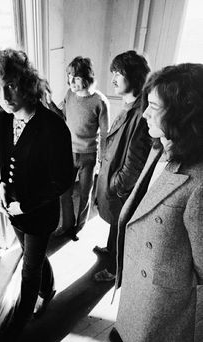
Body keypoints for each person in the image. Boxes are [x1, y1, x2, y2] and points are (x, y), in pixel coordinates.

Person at [0, 48, 73, 337]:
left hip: (39, 214)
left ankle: (18, 326)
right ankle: (50, 286)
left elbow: (64, 180)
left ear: (26, 82)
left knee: (29, 269)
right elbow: (8, 158)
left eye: (11, 85)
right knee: (33, 254)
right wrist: (1, 186)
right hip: (15, 213)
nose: (5, 97)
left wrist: (25, 205)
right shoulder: (4, 118)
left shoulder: (53, 126)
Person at [110, 63, 203, 342]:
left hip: (162, 312)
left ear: (184, 114)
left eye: (153, 105)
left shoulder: (199, 183)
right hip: (137, 295)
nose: (144, 113)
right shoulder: (161, 146)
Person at [93, 50, 151, 281]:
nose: (113, 78)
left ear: (134, 77)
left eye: (119, 73)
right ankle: (110, 250)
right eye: (113, 72)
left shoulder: (140, 114)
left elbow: (133, 165)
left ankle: (115, 270)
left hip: (121, 189)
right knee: (116, 223)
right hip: (113, 181)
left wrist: (116, 186)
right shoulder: (129, 104)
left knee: (123, 225)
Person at [44, 56, 109, 240]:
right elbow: (61, 118)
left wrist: (103, 161)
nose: (70, 82)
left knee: (84, 194)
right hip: (68, 153)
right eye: (69, 77)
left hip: (89, 156)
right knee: (64, 192)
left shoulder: (100, 102)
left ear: (87, 78)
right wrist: (49, 102)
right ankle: (66, 225)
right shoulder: (69, 94)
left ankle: (78, 228)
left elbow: (105, 135)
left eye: (76, 77)